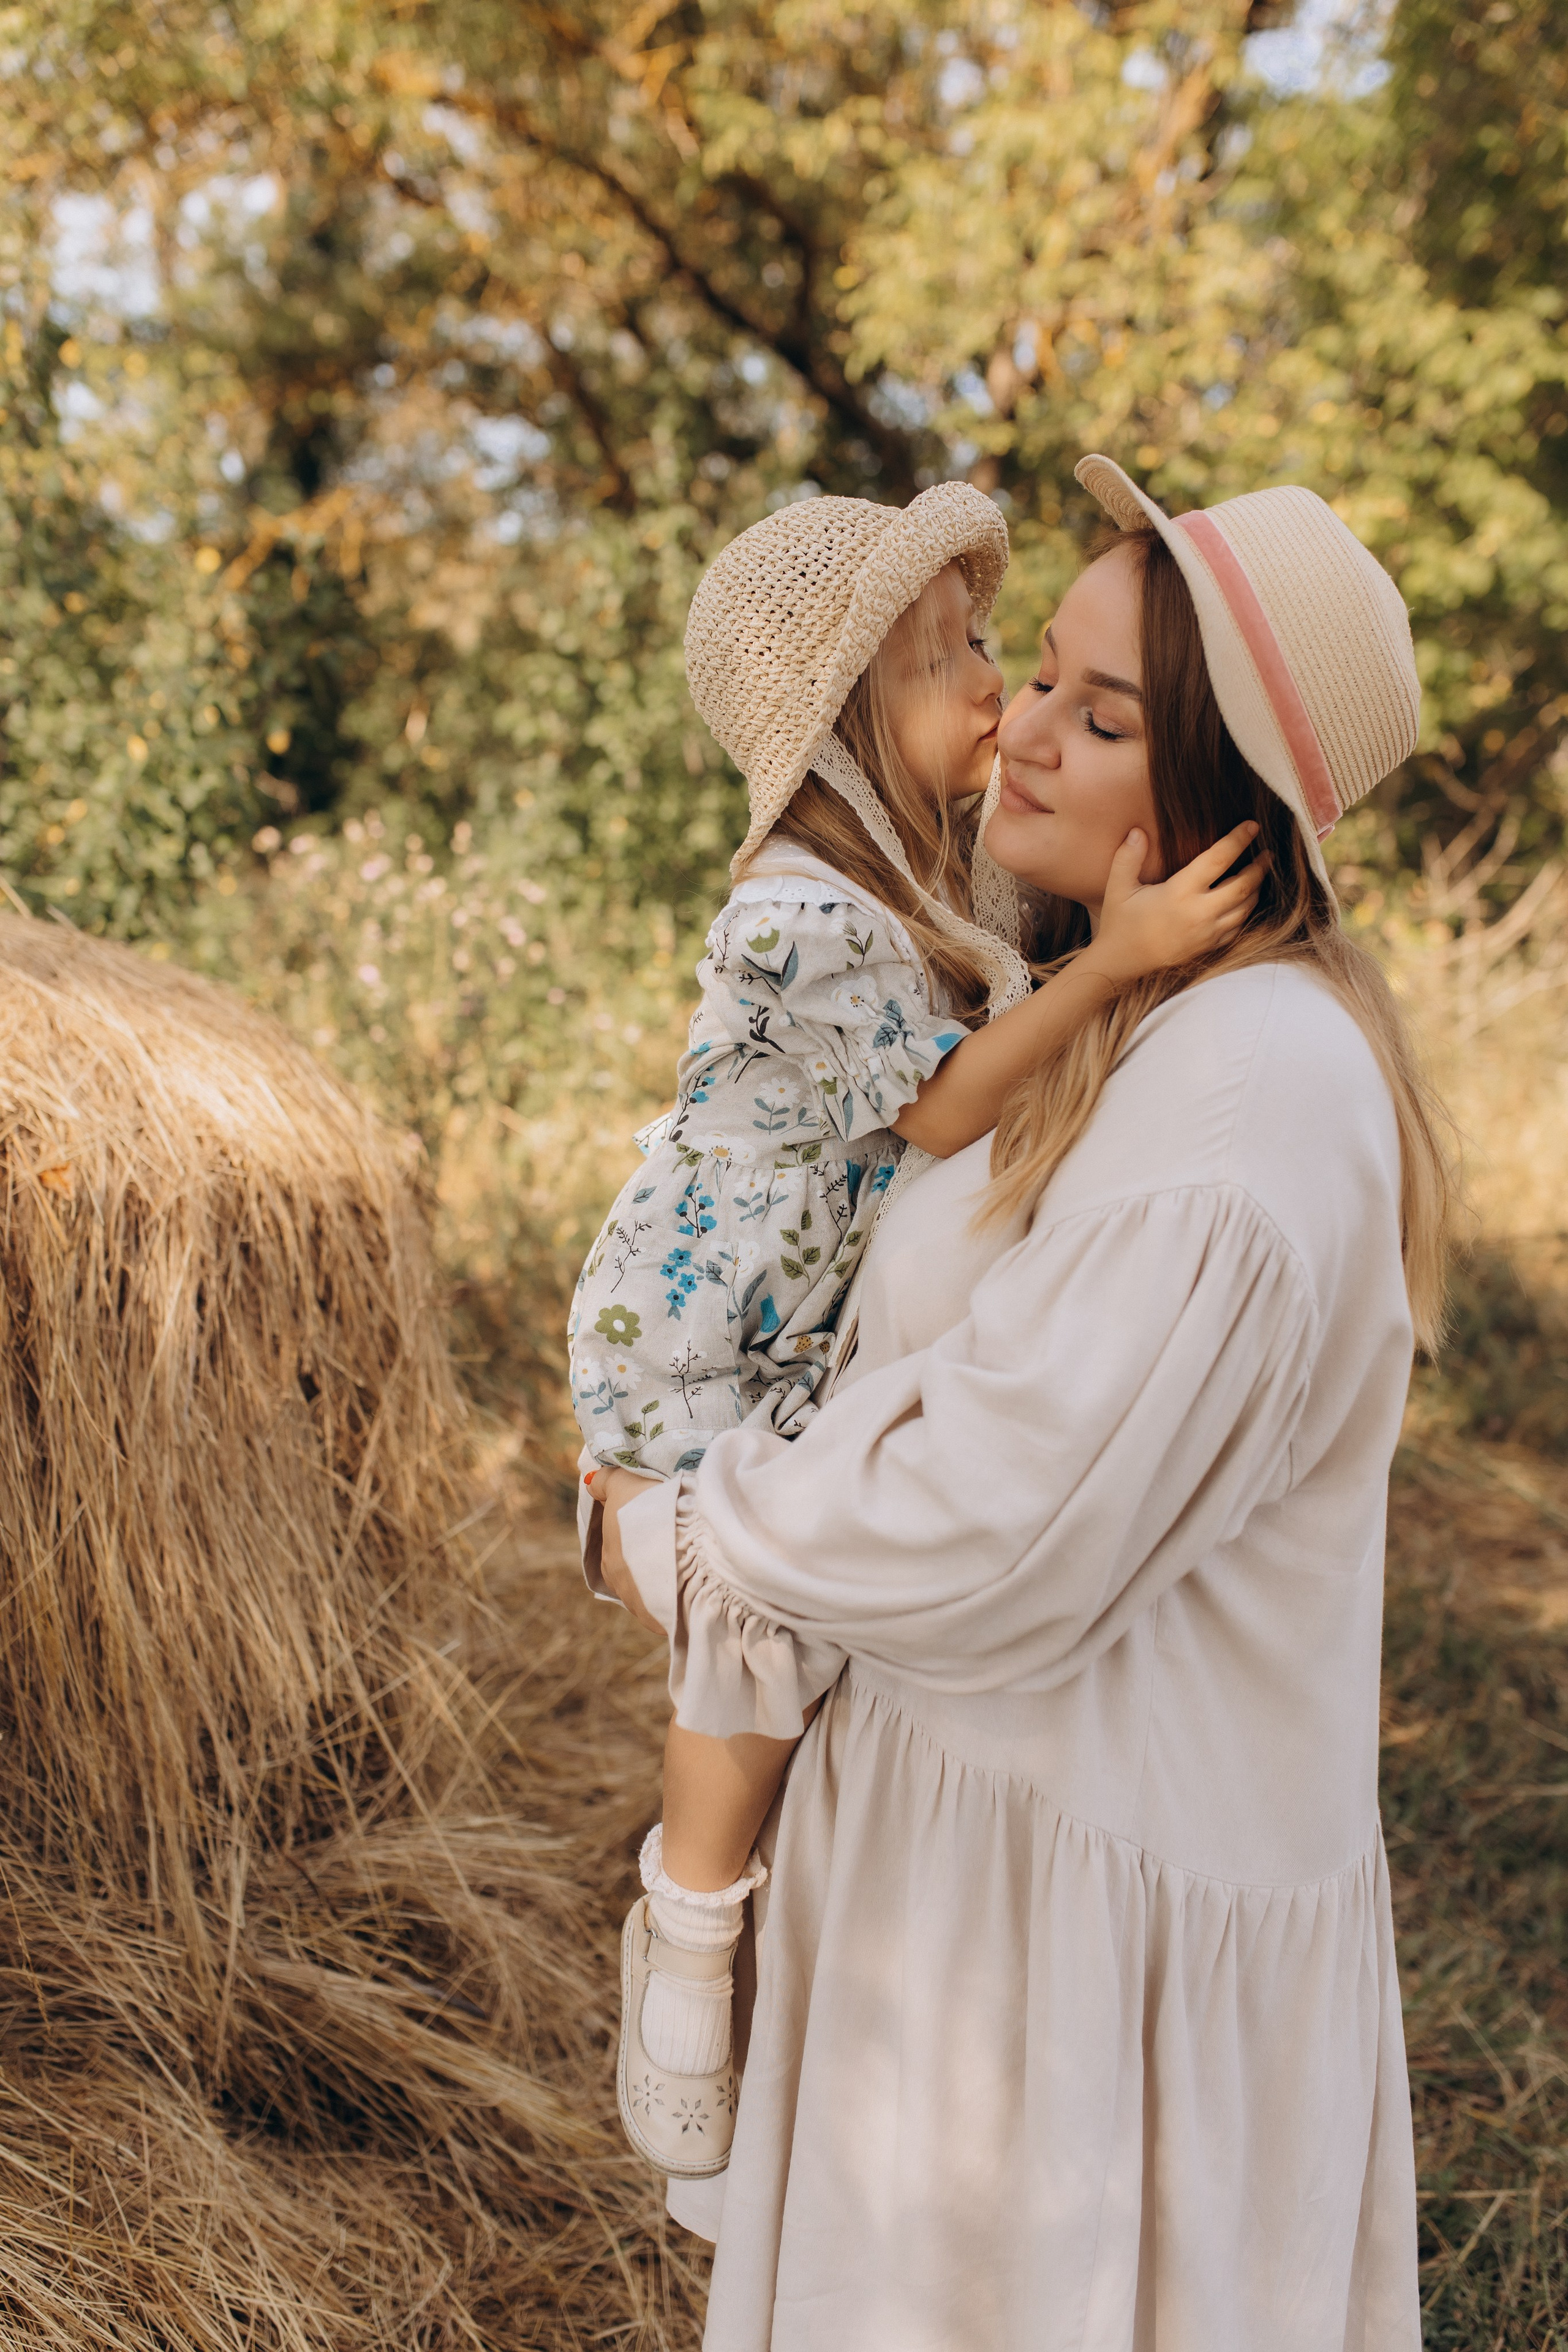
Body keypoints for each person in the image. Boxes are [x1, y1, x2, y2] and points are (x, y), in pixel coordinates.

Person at [587, 453, 1452, 2350]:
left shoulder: (1248, 1094)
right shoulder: (1102, 1012)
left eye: (1099, 709)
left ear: (1220, 800)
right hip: (981, 1921)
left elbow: (1000, 1511)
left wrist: (679, 1523)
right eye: (1029, 670)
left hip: (1074, 1993)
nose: (1023, 730)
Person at [568, 482, 1262, 2178]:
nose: (995, 691)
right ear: (844, 723)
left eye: (987, 648)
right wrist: (1121, 965)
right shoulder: (799, 915)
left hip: (785, 1348)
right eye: (951, 658)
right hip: (705, 1357)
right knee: (768, 1618)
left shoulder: (918, 894)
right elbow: (947, 1113)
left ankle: (763, 1906)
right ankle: (694, 1908)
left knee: (811, 1636)